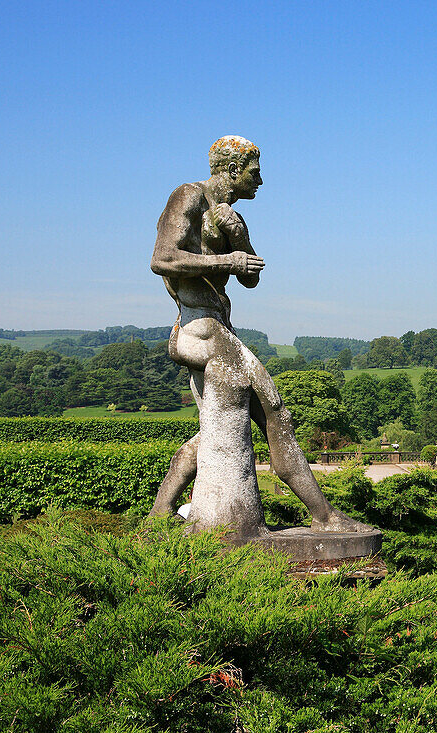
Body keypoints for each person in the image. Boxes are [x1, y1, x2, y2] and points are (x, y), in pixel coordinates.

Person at [149, 135, 366, 534]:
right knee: (275, 413)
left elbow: (248, 279)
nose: (261, 181)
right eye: (255, 172)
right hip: (199, 328)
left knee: (215, 430)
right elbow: (161, 258)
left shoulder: (226, 212)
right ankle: (324, 516)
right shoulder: (188, 196)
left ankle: (159, 515)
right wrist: (225, 258)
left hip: (216, 326)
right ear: (233, 171)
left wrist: (239, 242)